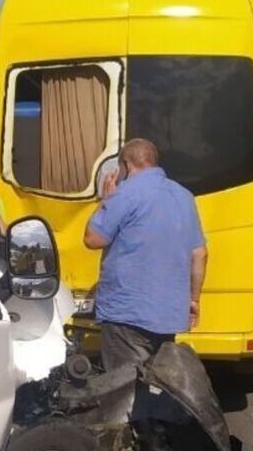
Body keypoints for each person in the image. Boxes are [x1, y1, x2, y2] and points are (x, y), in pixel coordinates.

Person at [84, 138, 208, 375]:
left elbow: (93, 239)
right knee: (157, 381)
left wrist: (106, 201)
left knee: (125, 387)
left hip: (128, 311)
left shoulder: (125, 194)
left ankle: (133, 413)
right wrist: (193, 300)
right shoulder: (184, 196)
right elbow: (200, 255)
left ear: (126, 165)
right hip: (169, 312)